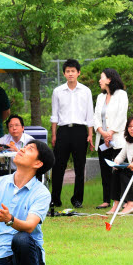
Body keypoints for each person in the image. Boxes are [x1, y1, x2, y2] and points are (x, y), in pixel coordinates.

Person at [50, 58, 94, 208]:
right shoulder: (57, 91)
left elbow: (90, 114)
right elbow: (54, 115)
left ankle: (77, 199)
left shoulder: (86, 91)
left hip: (80, 131)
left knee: (79, 167)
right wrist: (54, 134)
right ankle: (55, 198)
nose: (70, 74)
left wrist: (90, 134)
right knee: (58, 166)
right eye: (67, 71)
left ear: (78, 73)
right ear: (64, 73)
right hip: (63, 131)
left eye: (73, 71)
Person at [93, 68, 128, 209]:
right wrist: (102, 132)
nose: (99, 81)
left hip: (117, 139)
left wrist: (111, 132)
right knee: (104, 170)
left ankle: (121, 200)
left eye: (102, 78)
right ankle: (106, 199)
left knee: (117, 170)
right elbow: (96, 117)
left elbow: (122, 115)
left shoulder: (121, 95)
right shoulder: (100, 97)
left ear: (109, 79)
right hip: (103, 140)